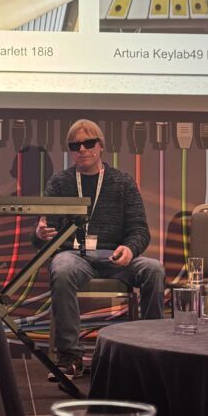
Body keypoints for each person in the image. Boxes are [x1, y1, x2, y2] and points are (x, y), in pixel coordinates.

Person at [35, 118, 165, 379]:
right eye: (75, 145)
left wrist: (129, 249)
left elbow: (140, 230)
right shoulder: (60, 183)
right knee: (61, 268)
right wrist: (39, 235)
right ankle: (70, 358)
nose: (82, 149)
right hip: (74, 255)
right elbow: (45, 234)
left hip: (115, 254)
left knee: (154, 269)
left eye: (88, 143)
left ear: (101, 146)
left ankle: (153, 349)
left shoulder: (122, 182)